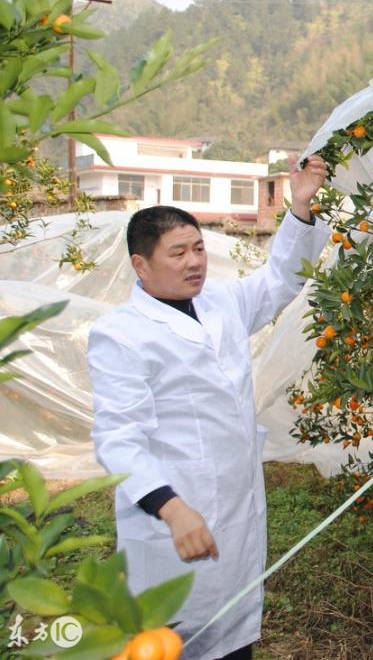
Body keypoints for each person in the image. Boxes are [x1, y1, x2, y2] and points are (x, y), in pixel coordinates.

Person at [87, 155, 329, 660]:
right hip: (174, 514)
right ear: (141, 265)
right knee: (169, 639)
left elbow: (280, 279)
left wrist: (301, 207)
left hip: (236, 509)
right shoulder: (122, 335)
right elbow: (118, 438)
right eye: (178, 253)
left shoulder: (221, 302)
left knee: (233, 634)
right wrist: (172, 510)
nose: (194, 261)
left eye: (198, 248)